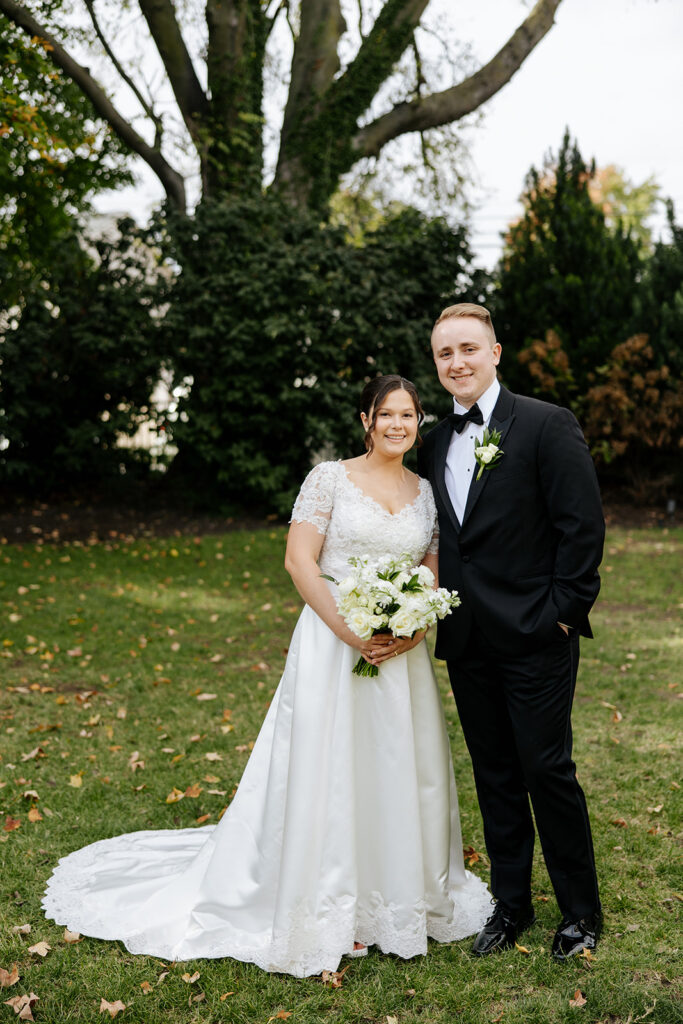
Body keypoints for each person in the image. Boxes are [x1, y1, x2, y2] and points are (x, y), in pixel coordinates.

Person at [42, 374, 490, 978]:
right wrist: (351, 632)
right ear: (365, 420)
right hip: (333, 642)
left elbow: (431, 567)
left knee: (394, 763)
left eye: (407, 415)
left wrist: (413, 626)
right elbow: (299, 561)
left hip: (399, 654)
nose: (397, 425)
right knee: (329, 766)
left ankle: (394, 897)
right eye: (385, 414)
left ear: (418, 422)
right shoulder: (329, 478)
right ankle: (326, 902)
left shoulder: (426, 492)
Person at [417, 304, 604, 961]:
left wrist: (562, 614)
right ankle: (510, 904)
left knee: (546, 770)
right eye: (445, 353)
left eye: (469, 348)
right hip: (467, 639)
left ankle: (580, 912)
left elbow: (581, 528)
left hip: (536, 635)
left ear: (495, 352)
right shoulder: (433, 443)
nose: (457, 362)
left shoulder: (547, 424)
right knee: (494, 775)